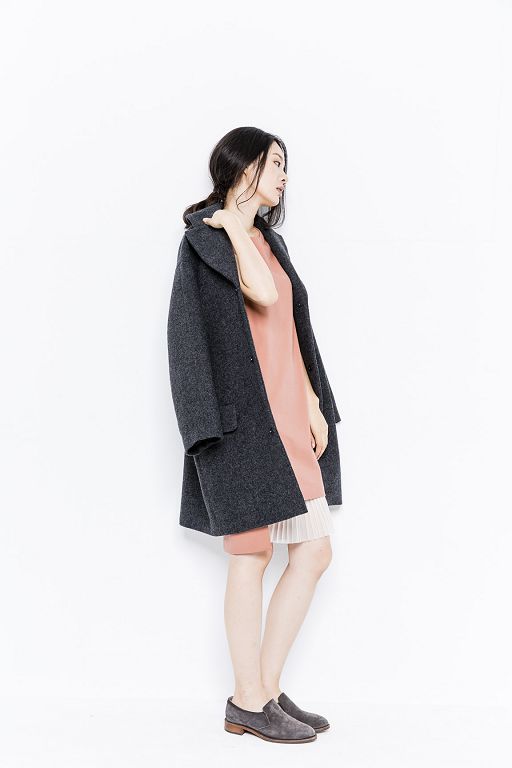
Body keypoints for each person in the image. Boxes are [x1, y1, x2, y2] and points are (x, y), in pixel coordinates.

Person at [172, 127, 342, 743]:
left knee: (314, 552)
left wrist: (314, 401)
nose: (284, 176)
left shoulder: (269, 240)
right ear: (244, 167)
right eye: (275, 164)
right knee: (251, 554)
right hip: (242, 424)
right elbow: (204, 332)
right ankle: (248, 698)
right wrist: (234, 227)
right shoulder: (206, 242)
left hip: (289, 416)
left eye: (286, 166)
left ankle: (264, 690)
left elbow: (289, 326)